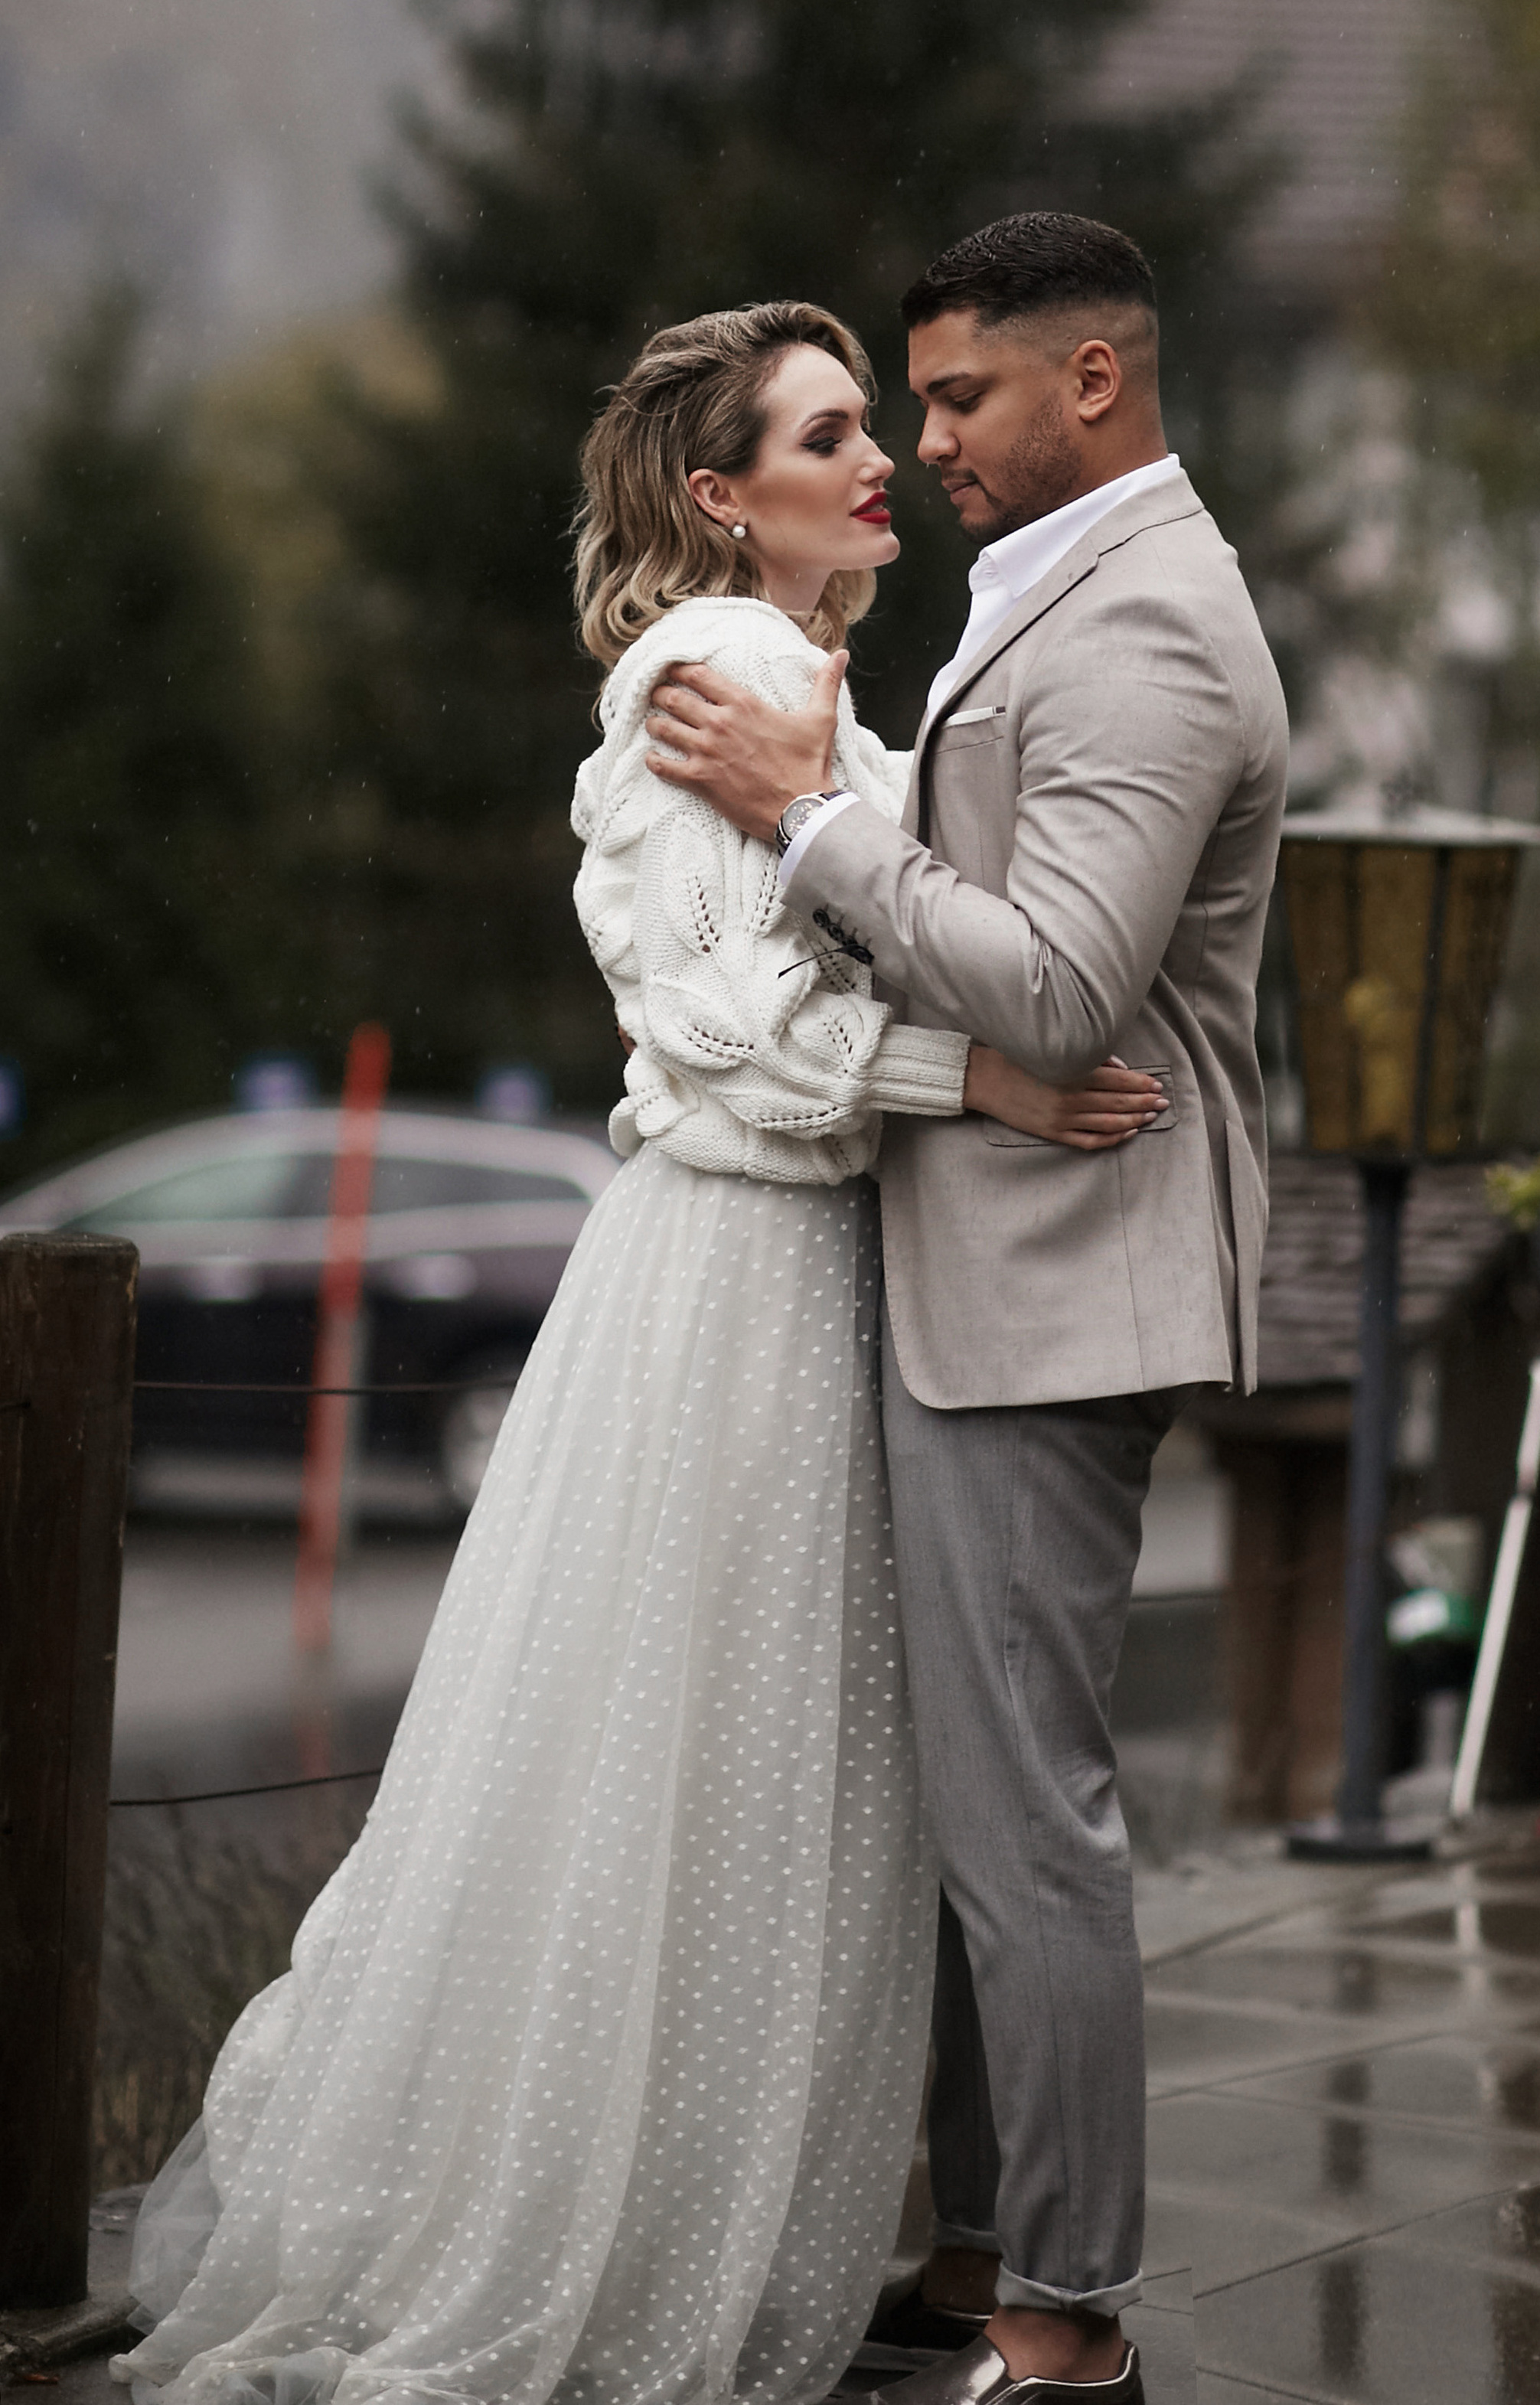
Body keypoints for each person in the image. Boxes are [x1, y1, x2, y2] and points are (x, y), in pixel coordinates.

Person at [110, 299, 1165, 2405]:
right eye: (829, 429)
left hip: (821, 1284)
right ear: (719, 493)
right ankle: (551, 2226)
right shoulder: (715, 672)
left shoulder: (829, 695)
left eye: (882, 423)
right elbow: (709, 1030)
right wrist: (988, 1084)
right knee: (674, 1765)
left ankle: (726, 2209)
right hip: (733, 1286)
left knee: (760, 1780)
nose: (880, 460)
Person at [642, 213, 1290, 2405]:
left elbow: (1055, 986)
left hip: (1062, 1280)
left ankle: (1067, 2318)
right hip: (987, 1268)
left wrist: (814, 816)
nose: (928, 446)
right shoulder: (1063, 593)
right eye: (907, 407)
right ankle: (986, 2239)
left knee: (1028, 1824)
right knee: (966, 1811)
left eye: (960, 401)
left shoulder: (1160, 632)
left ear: (1092, 382)